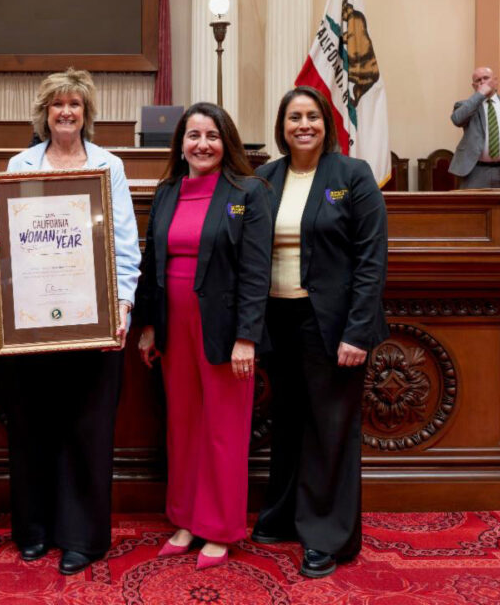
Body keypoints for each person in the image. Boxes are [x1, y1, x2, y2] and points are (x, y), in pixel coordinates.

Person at [0, 68, 141, 576]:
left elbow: (124, 245)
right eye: (57, 104)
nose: (66, 112)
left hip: (93, 322)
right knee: (32, 425)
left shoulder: (108, 166)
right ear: (44, 112)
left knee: (87, 428)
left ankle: (82, 536)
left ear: (87, 112)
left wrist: (121, 308)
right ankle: (33, 529)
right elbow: (13, 239)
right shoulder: (20, 163)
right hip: (33, 324)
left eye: (75, 104)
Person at [251, 85, 388, 579]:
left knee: (329, 430)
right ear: (281, 127)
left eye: (311, 116)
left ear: (326, 124)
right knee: (288, 422)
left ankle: (326, 536)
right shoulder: (265, 178)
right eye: (293, 118)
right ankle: (285, 514)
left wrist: (357, 331)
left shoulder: (351, 175)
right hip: (278, 322)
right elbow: (241, 238)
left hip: (332, 326)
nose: (302, 125)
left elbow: (371, 261)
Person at [134, 103, 272, 569]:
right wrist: (149, 327)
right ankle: (186, 519)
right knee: (184, 427)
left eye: (212, 135)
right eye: (193, 136)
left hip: (224, 331)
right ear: (180, 143)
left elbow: (256, 271)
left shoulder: (246, 192)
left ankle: (219, 527)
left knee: (223, 431)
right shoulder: (169, 190)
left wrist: (247, 337)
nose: (202, 145)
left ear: (226, 141)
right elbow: (153, 263)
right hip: (175, 326)